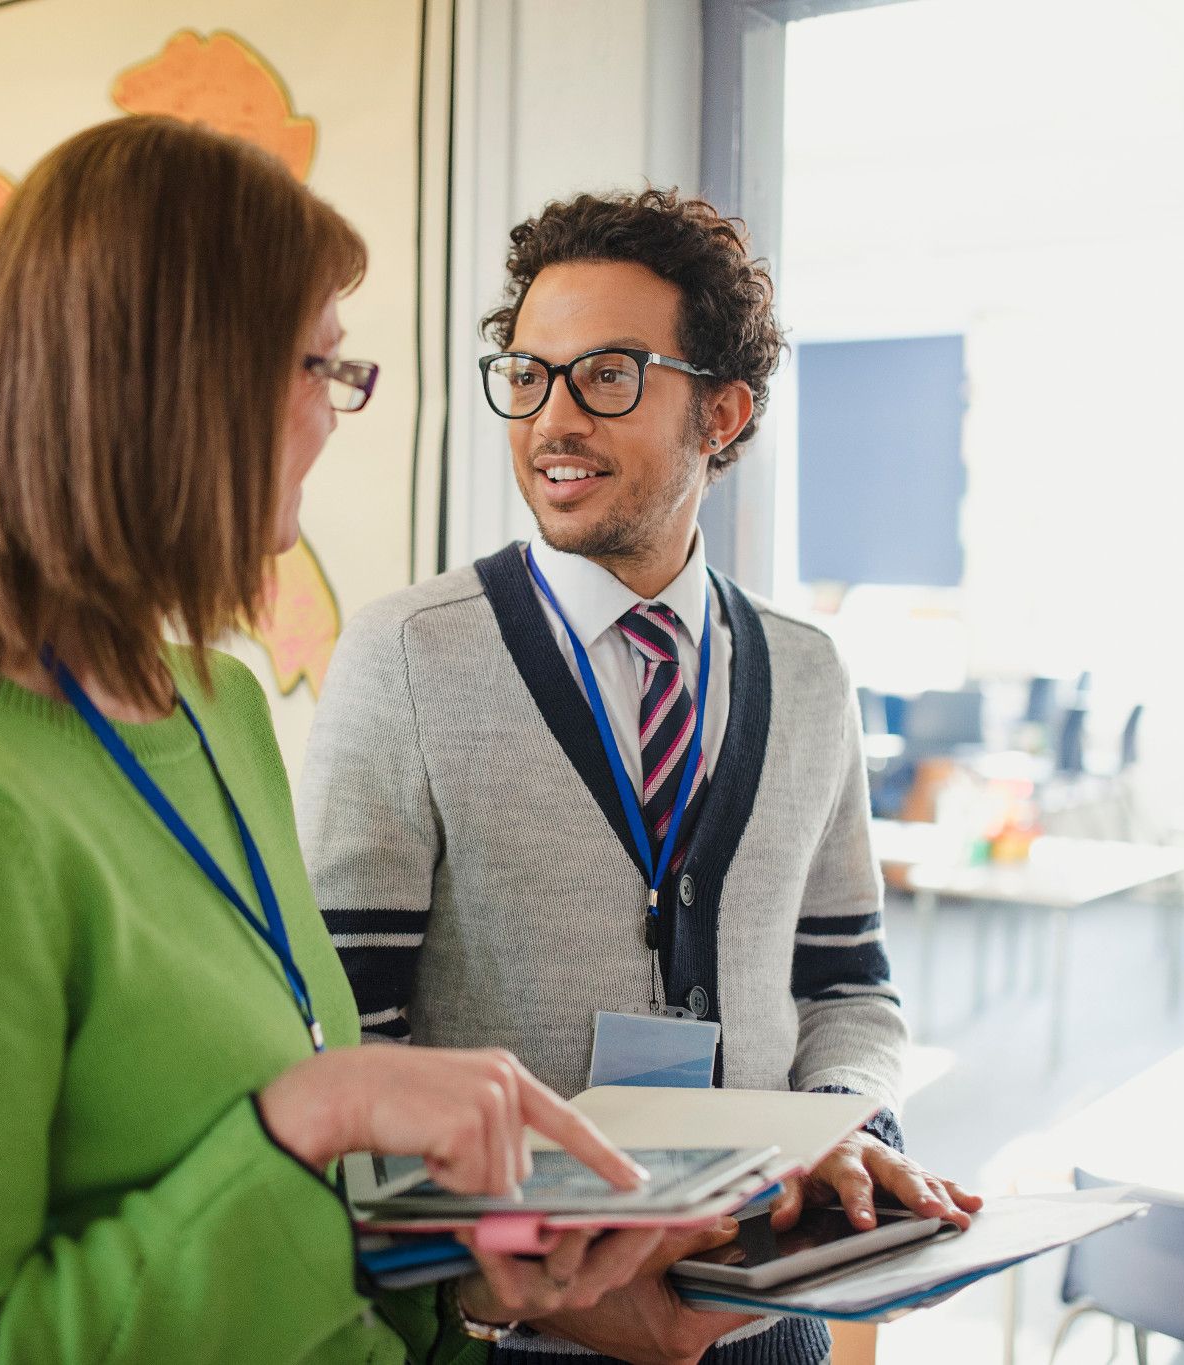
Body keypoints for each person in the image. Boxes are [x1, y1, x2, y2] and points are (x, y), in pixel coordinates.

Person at [0, 117, 672, 1365]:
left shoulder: (222, 708)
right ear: (175, 382)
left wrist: (479, 1291)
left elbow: (301, 1245)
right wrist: (305, 1115)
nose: (334, 411)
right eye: (316, 366)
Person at [300, 189, 982, 1365]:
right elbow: (351, 1035)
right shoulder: (407, 656)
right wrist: (543, 1284)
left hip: (770, 1315)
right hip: (524, 1333)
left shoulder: (809, 674)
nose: (550, 419)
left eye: (605, 375)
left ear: (720, 413)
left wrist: (836, 1138)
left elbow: (848, 989)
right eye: (527, 375)